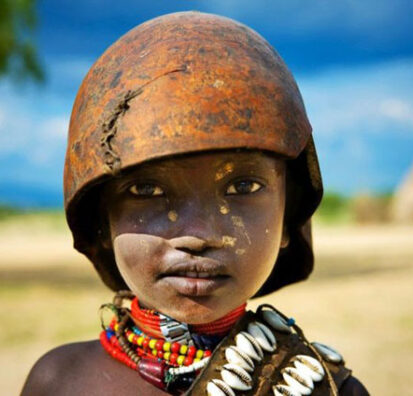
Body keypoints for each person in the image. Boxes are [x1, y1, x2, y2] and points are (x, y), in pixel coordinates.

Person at [21, 11, 369, 396]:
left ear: (289, 219)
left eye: (242, 186)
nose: (198, 234)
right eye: (146, 191)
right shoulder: (59, 383)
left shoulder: (329, 390)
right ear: (101, 221)